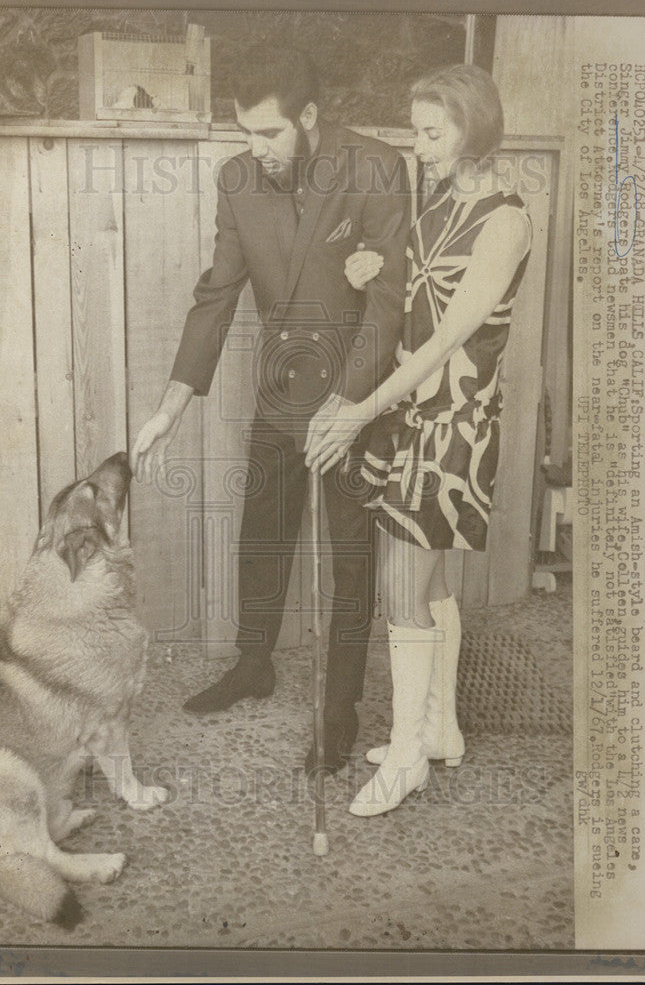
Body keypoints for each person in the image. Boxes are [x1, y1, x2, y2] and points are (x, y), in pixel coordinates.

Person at [131, 45, 412, 775]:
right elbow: (216, 295)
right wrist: (170, 406)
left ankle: (338, 712)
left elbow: (387, 304)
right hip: (283, 388)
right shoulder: (237, 180)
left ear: (309, 117)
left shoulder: (376, 167)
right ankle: (253, 664)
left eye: (268, 134)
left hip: (357, 393)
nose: (255, 150)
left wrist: (349, 405)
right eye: (244, 134)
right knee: (262, 531)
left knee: (349, 556)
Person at [304, 64, 533, 815]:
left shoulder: (505, 220)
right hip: (410, 419)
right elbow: (412, 291)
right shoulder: (437, 200)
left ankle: (405, 760)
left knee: (402, 588)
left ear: (475, 130)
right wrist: (372, 265)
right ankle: (438, 730)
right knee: (427, 585)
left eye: (433, 133)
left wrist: (356, 409)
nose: (420, 146)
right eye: (415, 131)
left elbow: (442, 344)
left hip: (453, 428)